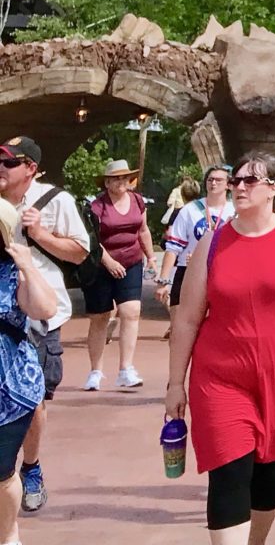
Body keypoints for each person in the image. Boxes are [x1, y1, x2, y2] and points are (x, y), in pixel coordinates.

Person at [165, 152, 275, 545]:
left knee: (270, 476)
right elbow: (187, 317)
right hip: (220, 378)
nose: (238, 187)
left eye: (248, 181)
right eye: (235, 181)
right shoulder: (212, 243)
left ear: (272, 189)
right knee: (228, 472)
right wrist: (175, 384)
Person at [0, 136, 87, 517]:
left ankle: (30, 467)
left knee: (32, 400)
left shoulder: (56, 201)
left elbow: (81, 252)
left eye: (9, 163)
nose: (1, 169)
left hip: (39, 315)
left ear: (30, 167)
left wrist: (39, 235)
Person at [0, 193, 64, 545]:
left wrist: (26, 265)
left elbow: (44, 308)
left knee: (1, 474)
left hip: (8, 390)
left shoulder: (13, 271)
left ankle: (9, 536)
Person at [82, 157, 154, 391]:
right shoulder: (97, 207)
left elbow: (143, 230)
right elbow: (92, 240)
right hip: (102, 265)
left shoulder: (137, 201)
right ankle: (96, 371)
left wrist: (151, 257)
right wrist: (109, 262)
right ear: (107, 183)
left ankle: (126, 369)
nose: (121, 182)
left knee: (131, 311)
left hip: (131, 261)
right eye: (116, 178)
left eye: (124, 177)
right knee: (100, 318)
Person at [159, 166, 233, 311]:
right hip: (187, 271)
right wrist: (163, 280)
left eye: (218, 180)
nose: (213, 183)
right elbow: (173, 247)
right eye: (210, 180)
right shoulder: (189, 210)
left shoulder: (235, 211)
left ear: (228, 185)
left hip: (221, 273)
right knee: (180, 326)